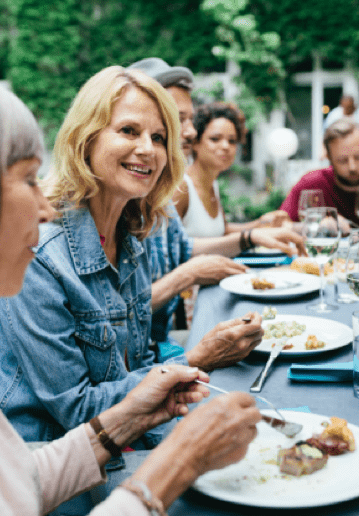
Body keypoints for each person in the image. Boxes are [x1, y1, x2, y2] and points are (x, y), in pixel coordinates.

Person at [0, 64, 261, 516]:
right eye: (27, 178)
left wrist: (131, 415)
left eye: (160, 138)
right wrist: (178, 462)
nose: (45, 206)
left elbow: (20, 479)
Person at [0, 66, 264, 472]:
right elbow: (77, 411)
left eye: (159, 138)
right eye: (129, 131)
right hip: (38, 462)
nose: (148, 149)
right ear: (86, 139)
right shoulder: (40, 255)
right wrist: (195, 360)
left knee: (255, 438)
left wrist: (190, 367)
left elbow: (138, 362)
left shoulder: (130, 239)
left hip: (118, 440)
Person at [128, 58, 306, 356]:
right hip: (150, 352)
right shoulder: (158, 194)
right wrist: (189, 275)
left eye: (190, 120)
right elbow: (117, 314)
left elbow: (184, 247)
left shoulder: (158, 198)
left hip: (156, 346)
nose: (190, 132)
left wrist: (253, 234)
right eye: (178, 119)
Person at [173, 101, 290, 237]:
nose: (225, 146)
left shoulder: (212, 185)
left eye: (232, 141)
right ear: (195, 143)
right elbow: (172, 247)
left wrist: (261, 223)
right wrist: (251, 236)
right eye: (215, 139)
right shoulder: (181, 188)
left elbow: (221, 232)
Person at [280, 118, 359, 229]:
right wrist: (317, 226)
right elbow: (281, 224)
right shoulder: (311, 184)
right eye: (342, 160)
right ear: (328, 157)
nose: (352, 167)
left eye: (358, 157)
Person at [322, 95, 359, 164]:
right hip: (340, 149)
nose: (347, 109)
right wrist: (324, 151)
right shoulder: (334, 115)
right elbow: (326, 135)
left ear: (354, 105)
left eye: (350, 107)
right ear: (341, 106)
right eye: (345, 107)